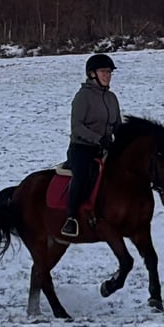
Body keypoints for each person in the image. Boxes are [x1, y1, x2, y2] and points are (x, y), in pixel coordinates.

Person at [61, 53, 122, 237]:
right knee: (82, 175)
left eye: (109, 72)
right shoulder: (83, 97)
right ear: (92, 74)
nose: (107, 75)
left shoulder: (112, 98)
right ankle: (71, 218)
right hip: (82, 148)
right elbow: (77, 127)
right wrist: (98, 139)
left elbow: (117, 125)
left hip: (105, 147)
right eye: (104, 72)